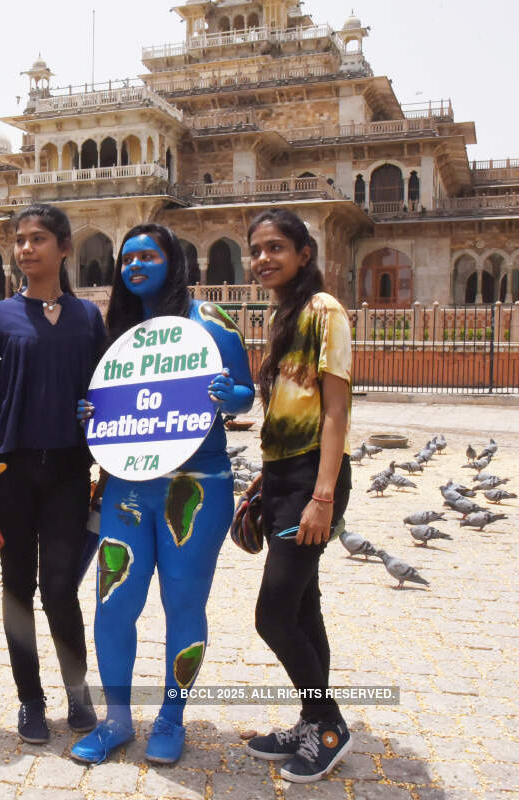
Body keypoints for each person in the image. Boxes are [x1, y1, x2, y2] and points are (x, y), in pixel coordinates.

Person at [70, 223, 254, 765]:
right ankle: (117, 719)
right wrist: (91, 415)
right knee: (113, 601)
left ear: (173, 262)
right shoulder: (121, 331)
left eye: (148, 255)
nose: (135, 265)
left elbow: (245, 394)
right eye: (127, 258)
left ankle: (172, 718)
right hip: (128, 486)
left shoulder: (208, 322)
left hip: (194, 489)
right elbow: (107, 402)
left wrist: (229, 393)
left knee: (183, 603)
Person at [0, 203, 104, 744]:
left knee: (61, 588)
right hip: (12, 471)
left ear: (65, 248)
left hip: (69, 470)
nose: (26, 248)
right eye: (19, 239)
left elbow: (103, 394)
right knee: (17, 588)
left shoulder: (88, 318)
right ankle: (30, 700)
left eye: (38, 238)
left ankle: (77, 691)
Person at [243, 208, 353, 783]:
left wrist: (323, 496)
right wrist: (267, 476)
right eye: (256, 249)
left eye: (276, 248)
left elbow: (335, 411)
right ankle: (313, 724)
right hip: (283, 476)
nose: (264, 259)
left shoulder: (323, 312)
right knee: (303, 608)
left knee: (273, 614)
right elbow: (286, 408)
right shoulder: (282, 314)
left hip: (313, 480)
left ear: (304, 254)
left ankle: (327, 722)